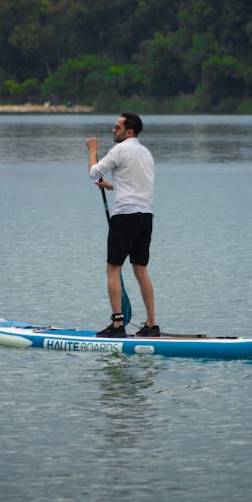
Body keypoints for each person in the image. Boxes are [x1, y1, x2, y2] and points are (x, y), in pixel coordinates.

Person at [86, 112, 160, 337]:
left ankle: (117, 325)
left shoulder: (120, 149)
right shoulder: (145, 153)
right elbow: (134, 184)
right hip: (145, 216)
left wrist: (92, 150)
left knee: (113, 269)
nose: (113, 130)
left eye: (117, 127)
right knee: (140, 270)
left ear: (129, 132)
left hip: (125, 217)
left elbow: (93, 172)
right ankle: (151, 325)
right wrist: (111, 186)